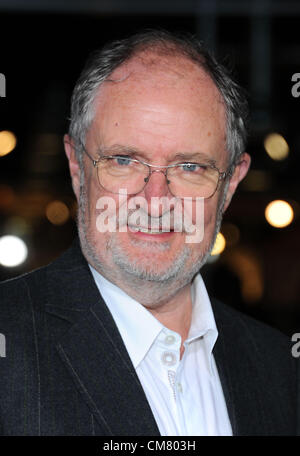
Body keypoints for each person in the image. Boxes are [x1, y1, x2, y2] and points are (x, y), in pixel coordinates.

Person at [0, 29, 297, 436]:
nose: (155, 200)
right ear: (75, 167)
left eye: (190, 167)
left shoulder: (281, 369)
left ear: (230, 185)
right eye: (124, 160)